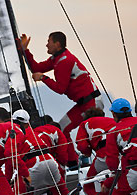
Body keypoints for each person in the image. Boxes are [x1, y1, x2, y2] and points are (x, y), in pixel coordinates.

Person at [19, 31, 103, 166]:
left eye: (49, 41)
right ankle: (73, 162)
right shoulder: (57, 59)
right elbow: (36, 67)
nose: (46, 45)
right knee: (63, 128)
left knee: (90, 132)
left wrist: (43, 77)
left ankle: (84, 160)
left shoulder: (65, 61)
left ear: (57, 44)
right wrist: (25, 50)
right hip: (84, 103)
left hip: (91, 103)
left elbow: (60, 89)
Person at [12, 110, 97, 195]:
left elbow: (12, 158)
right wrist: (63, 164)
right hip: (50, 161)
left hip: (33, 165)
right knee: (63, 193)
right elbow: (63, 149)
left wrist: (10, 177)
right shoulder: (51, 131)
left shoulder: (17, 135)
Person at [76, 107, 116, 195]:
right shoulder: (111, 120)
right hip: (120, 153)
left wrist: (88, 153)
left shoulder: (84, 124)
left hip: (104, 157)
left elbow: (82, 146)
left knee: (88, 186)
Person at [33, 118, 71, 195]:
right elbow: (62, 155)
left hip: (31, 163)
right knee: (60, 187)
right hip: (46, 161)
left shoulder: (34, 131)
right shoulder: (57, 133)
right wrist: (63, 164)